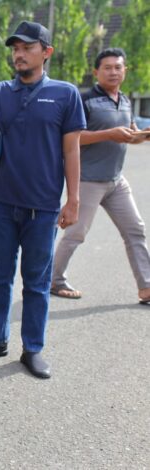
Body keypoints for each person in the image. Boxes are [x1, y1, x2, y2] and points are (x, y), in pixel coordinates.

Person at [0, 21, 86, 379]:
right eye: (15, 48)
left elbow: (72, 149)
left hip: (43, 206)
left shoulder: (65, 94)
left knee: (37, 282)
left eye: (27, 47)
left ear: (46, 52)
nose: (19, 54)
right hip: (1, 201)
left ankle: (33, 348)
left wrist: (73, 200)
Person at [49, 48, 150, 305]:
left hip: (116, 181)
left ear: (125, 70)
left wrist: (141, 135)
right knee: (75, 233)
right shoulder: (84, 100)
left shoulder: (125, 100)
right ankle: (54, 280)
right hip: (88, 180)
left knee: (135, 230)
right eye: (107, 67)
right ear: (96, 72)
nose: (113, 72)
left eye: (118, 67)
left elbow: (127, 134)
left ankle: (147, 288)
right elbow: (70, 138)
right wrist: (109, 134)